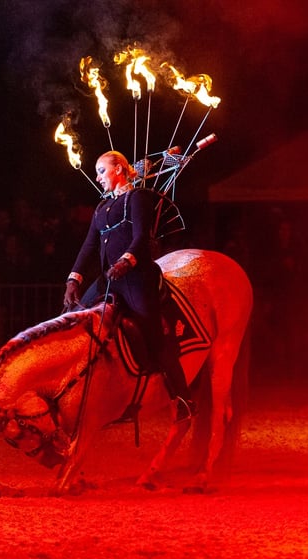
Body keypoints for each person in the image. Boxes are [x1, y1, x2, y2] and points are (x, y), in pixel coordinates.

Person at [62, 150, 195, 422]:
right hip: (109, 279)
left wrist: (126, 261)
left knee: (154, 335)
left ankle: (183, 397)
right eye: (97, 172)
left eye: (102, 171)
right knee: (72, 318)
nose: (98, 178)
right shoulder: (101, 208)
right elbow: (89, 245)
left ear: (119, 170)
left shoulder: (137, 199)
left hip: (135, 277)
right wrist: (73, 278)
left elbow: (140, 238)